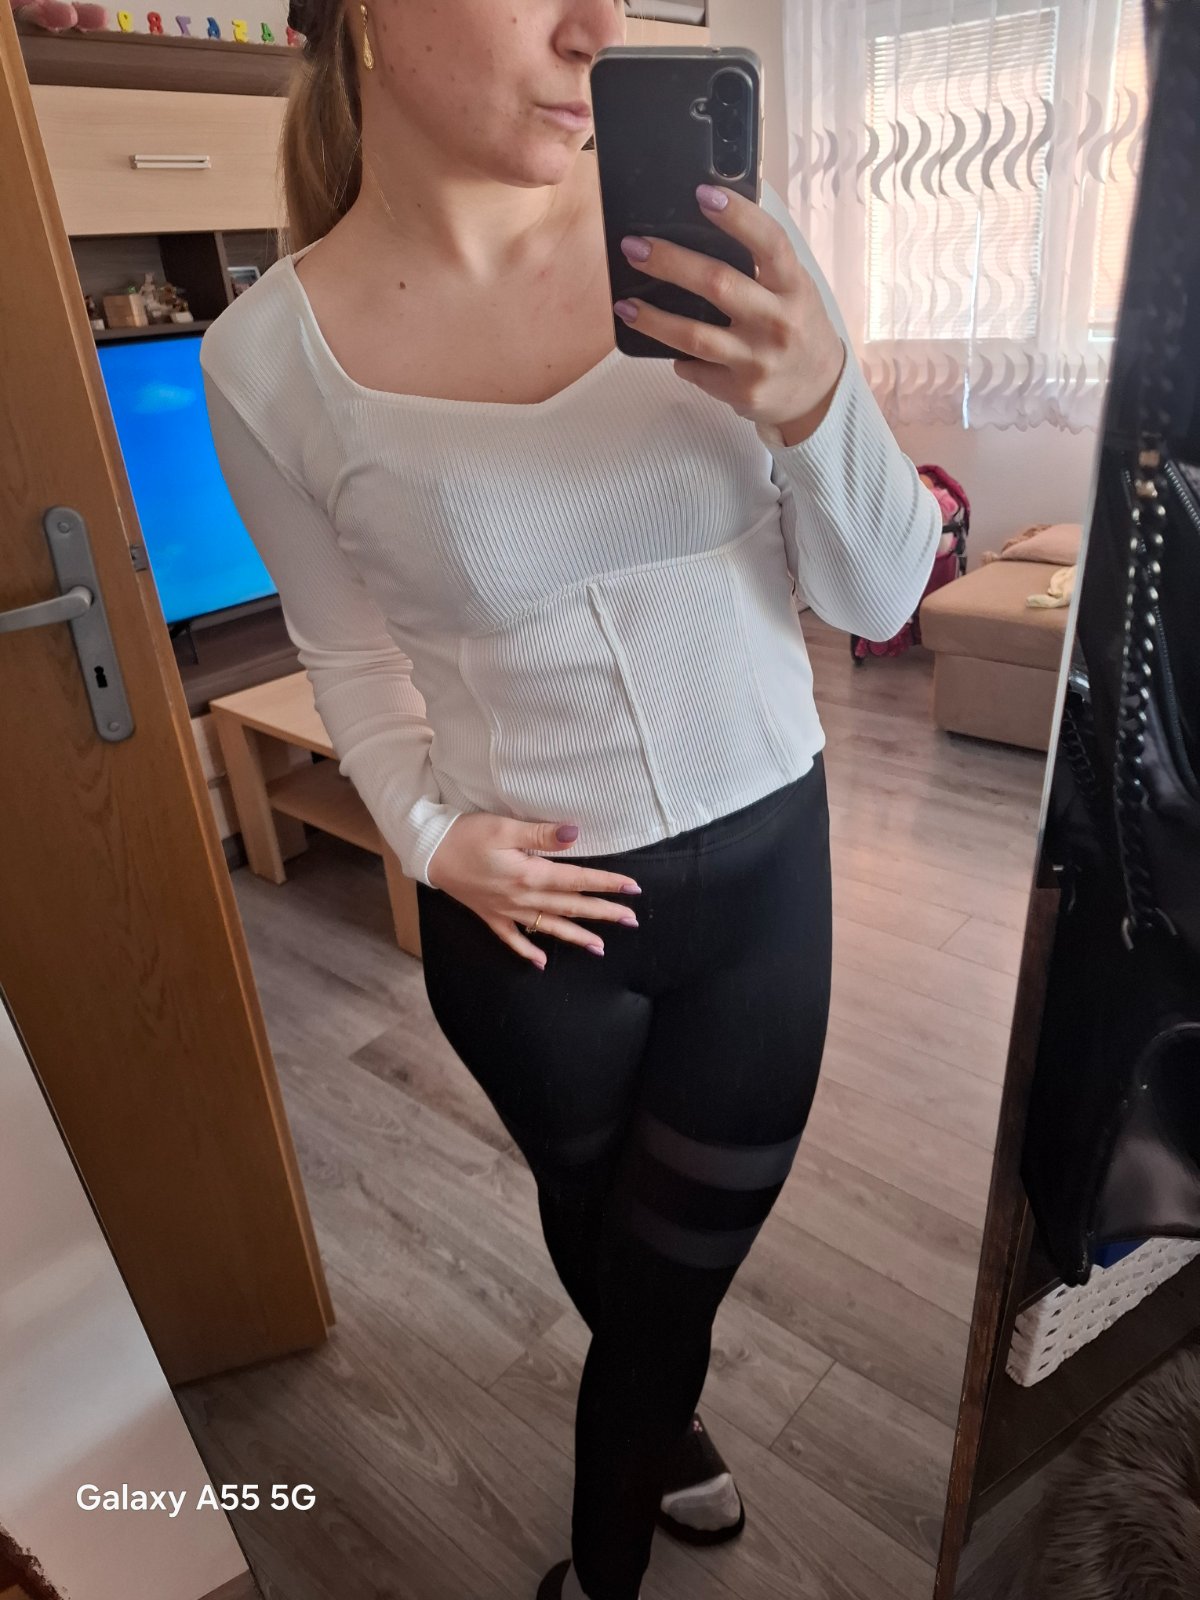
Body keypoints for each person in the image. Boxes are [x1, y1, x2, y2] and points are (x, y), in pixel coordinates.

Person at [198, 3, 942, 1596]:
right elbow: (344, 655)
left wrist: (820, 402)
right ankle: (666, 1431)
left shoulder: (724, 245)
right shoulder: (264, 359)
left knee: (659, 1295)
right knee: (603, 1230)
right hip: (527, 928)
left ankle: (596, 1573)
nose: (598, 26)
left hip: (765, 894)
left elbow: (880, 598)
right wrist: (425, 839)